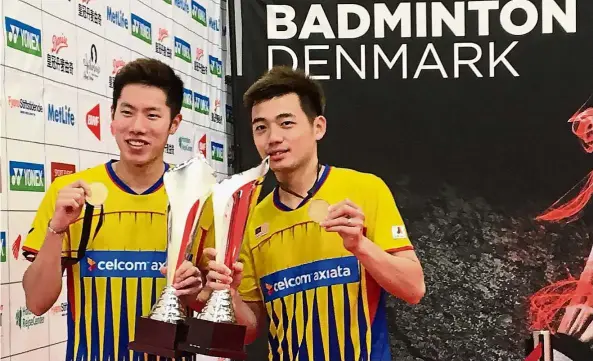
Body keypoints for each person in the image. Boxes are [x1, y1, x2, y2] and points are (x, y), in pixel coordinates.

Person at [202, 66, 426, 361]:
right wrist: (229, 295)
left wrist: (361, 246)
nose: (273, 138)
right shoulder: (250, 218)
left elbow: (413, 288)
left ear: (317, 127)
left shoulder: (366, 189)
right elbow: (251, 330)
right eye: (261, 127)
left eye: (286, 123)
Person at [21, 58, 208, 361]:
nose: (137, 127)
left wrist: (195, 292)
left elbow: (211, 303)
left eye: (152, 115)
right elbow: (36, 303)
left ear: (174, 124)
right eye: (127, 112)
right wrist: (56, 230)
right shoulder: (71, 193)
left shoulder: (198, 198)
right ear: (112, 116)